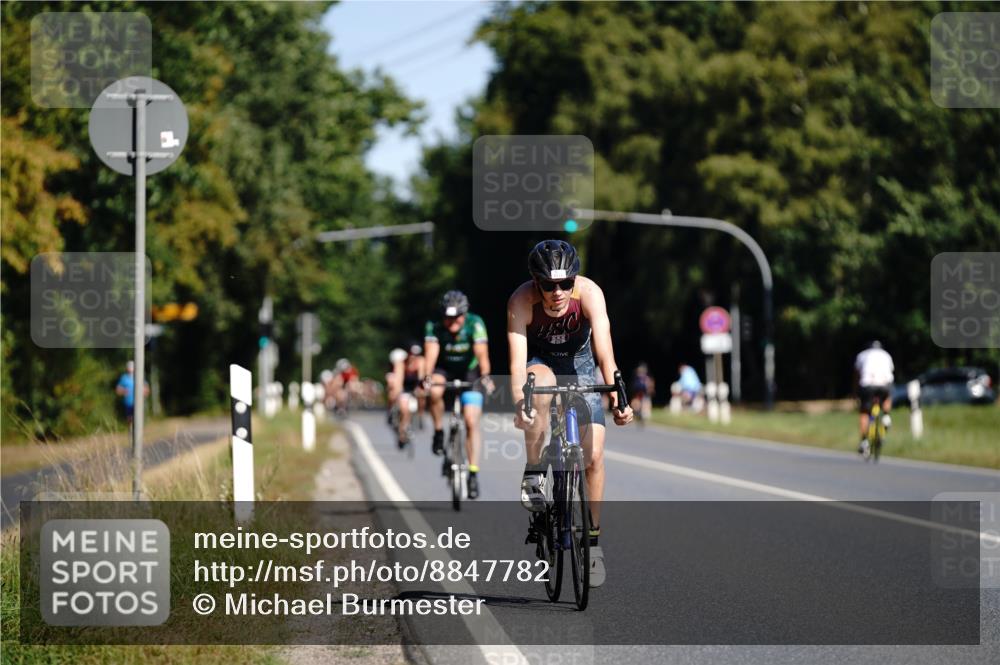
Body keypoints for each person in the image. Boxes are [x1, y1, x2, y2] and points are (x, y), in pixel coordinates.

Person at [507, 239, 633, 588]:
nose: (558, 292)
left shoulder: (590, 293)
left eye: (566, 283)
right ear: (536, 283)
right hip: (542, 362)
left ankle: (592, 544)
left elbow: (605, 353)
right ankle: (534, 471)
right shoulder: (521, 301)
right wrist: (522, 404)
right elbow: (517, 365)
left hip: (580, 364)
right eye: (549, 285)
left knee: (593, 456)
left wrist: (619, 398)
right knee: (537, 392)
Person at [424, 291, 494, 499]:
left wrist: (485, 376)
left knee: (471, 421)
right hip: (444, 369)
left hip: (469, 372)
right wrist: (427, 376)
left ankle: (472, 474)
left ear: (465, 314)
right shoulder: (434, 326)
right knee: (435, 390)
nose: (452, 322)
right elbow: (430, 354)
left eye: (457, 317)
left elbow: (482, 354)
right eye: (448, 317)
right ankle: (438, 432)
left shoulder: (475, 323)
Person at [855, 340, 894, 455]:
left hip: (867, 384)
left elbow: (857, 374)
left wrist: (855, 391)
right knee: (887, 396)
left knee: (864, 413)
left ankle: (864, 441)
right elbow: (890, 373)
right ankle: (886, 416)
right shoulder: (886, 355)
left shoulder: (862, 355)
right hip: (883, 384)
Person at [115, 360, 149, 426]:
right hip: (128, 403)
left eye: (132, 366)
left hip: (139, 402)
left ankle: (138, 432)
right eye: (129, 366)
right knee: (130, 420)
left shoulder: (140, 376)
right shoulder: (124, 378)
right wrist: (124, 391)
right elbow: (118, 390)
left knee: (138, 419)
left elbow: (147, 389)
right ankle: (131, 433)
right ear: (127, 368)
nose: (130, 368)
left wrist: (144, 392)